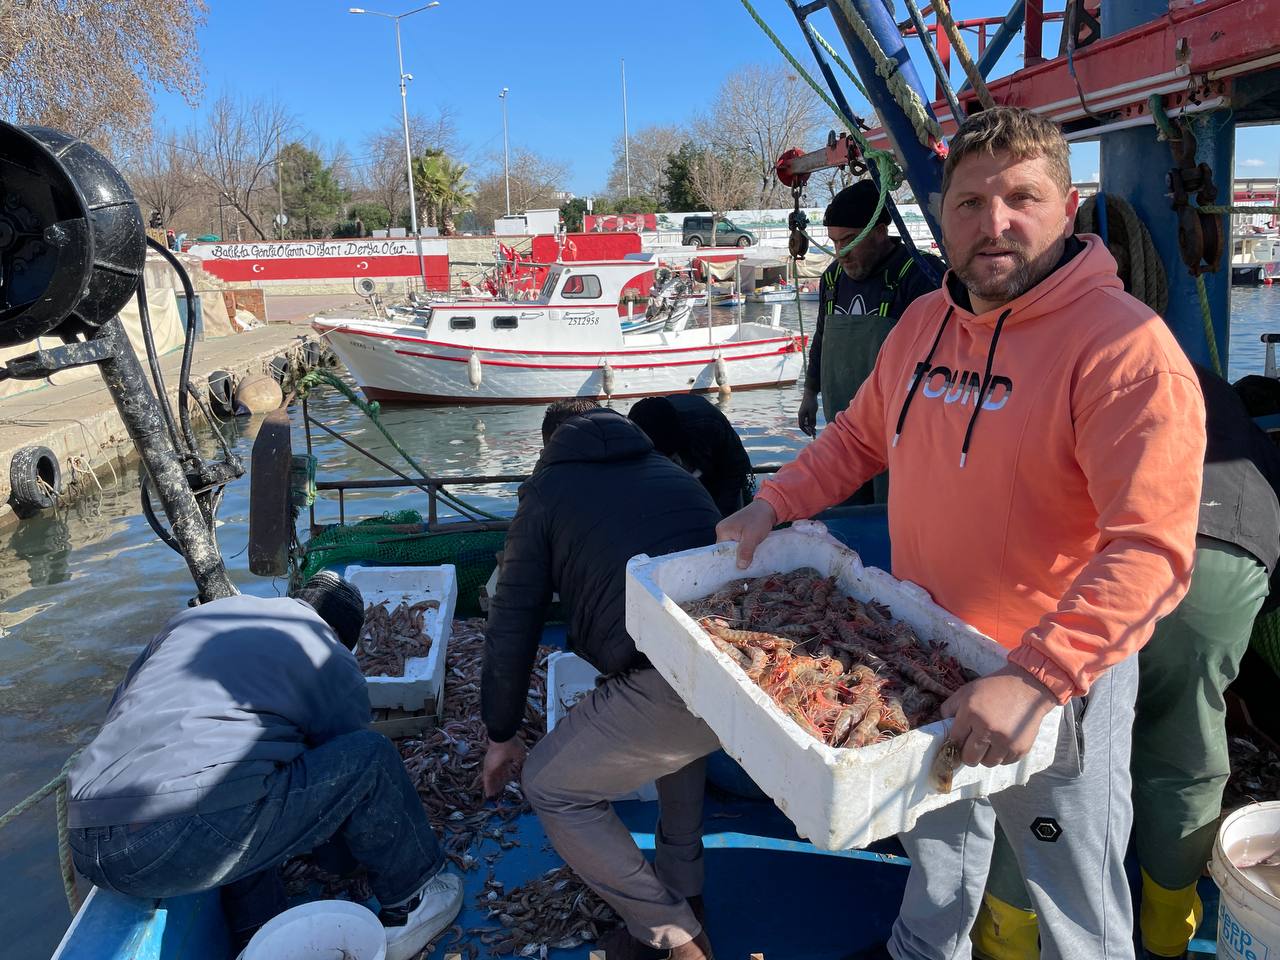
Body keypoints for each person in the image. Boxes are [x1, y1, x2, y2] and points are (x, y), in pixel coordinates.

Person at [718, 106, 1206, 960]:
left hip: (1055, 682)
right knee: (936, 840)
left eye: (1022, 197)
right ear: (944, 220)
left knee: (1076, 891)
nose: (996, 223)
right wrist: (775, 503)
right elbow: (860, 436)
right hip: (918, 652)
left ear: (1067, 204)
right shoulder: (922, 325)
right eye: (971, 204)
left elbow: (1152, 550)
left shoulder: (1125, 349)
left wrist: (1035, 680)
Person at [974, 363, 1280, 960]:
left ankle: (1007, 936)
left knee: (1046, 756)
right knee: (1185, 753)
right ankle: (1170, 932)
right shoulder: (1232, 420)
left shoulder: (1074, 363)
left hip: (1114, 558)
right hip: (1228, 560)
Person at [66, 573, 463, 959]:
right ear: (344, 637)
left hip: (87, 837)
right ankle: (416, 898)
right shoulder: (330, 654)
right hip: (183, 833)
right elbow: (345, 764)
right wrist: (340, 862)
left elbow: (121, 706)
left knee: (242, 771)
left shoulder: (195, 618)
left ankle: (256, 932)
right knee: (371, 757)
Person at [481, 398, 723, 960]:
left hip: (664, 673)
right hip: (741, 674)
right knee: (678, 736)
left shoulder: (545, 492)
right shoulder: (670, 470)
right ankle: (687, 885)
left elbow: (512, 620)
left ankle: (677, 936)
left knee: (550, 786)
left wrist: (501, 733)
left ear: (550, 448)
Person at [799, 180, 944, 504]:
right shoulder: (833, 279)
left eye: (851, 240)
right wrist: (810, 392)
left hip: (903, 440)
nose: (842, 254)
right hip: (845, 433)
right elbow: (822, 336)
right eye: (835, 243)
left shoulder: (919, 274)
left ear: (879, 232)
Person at [628, 393, 753, 517]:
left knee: (725, 510)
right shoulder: (635, 434)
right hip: (677, 434)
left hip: (722, 463)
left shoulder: (707, 426)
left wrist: (722, 516)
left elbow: (733, 472)